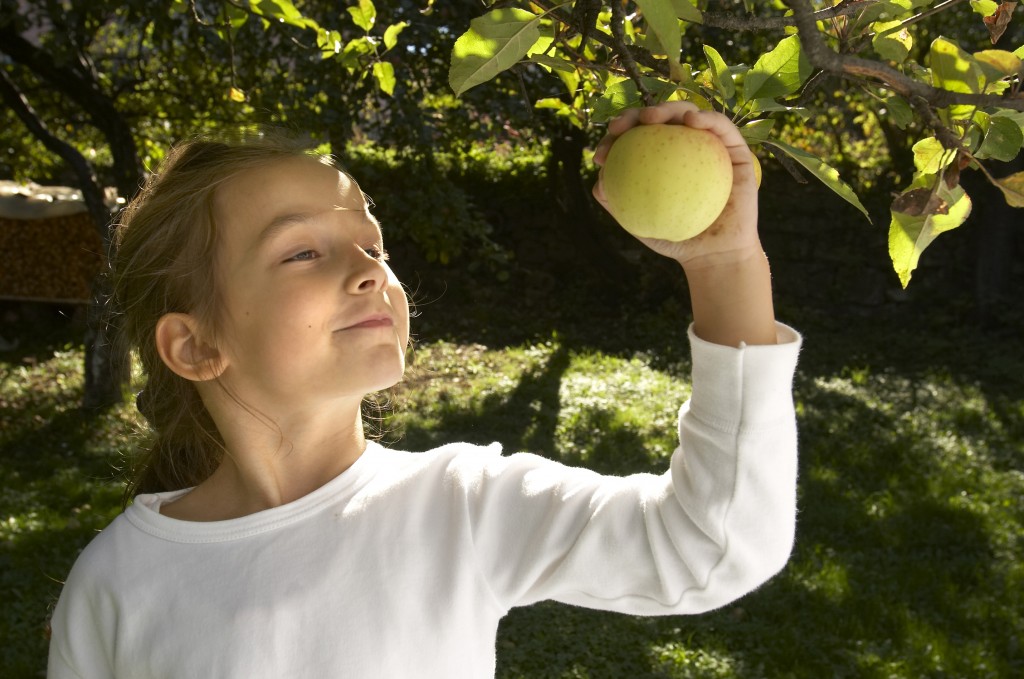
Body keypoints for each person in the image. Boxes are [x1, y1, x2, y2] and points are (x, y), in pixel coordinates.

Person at [47, 101, 801, 678]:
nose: (373, 267)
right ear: (196, 344)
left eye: (373, 243)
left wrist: (725, 267)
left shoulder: (462, 505)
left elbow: (713, 543)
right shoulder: (115, 582)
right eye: (303, 250)